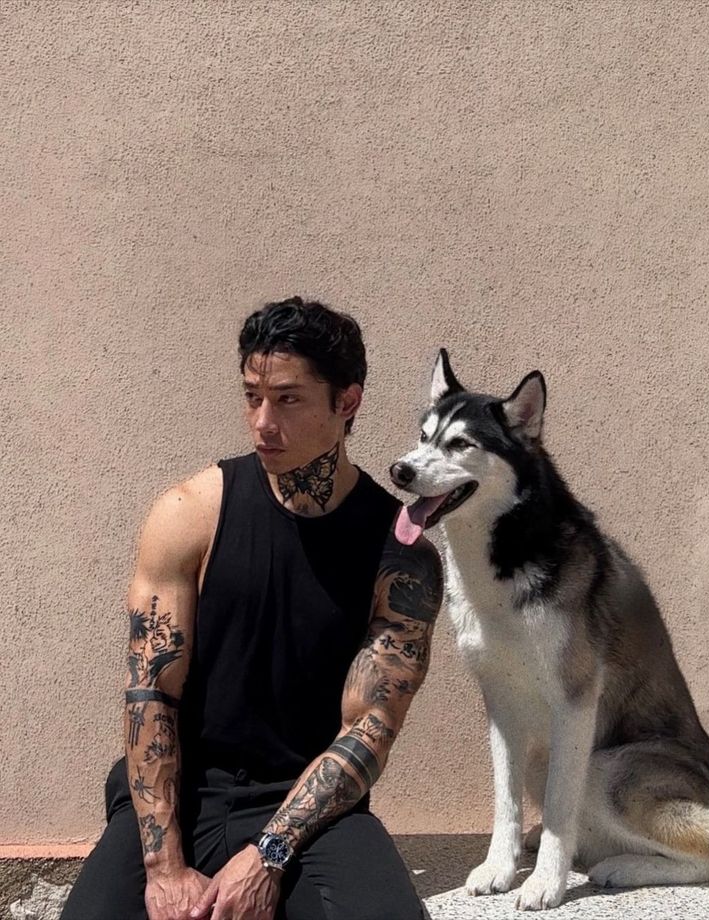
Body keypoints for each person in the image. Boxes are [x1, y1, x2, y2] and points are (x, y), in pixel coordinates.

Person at [61, 296, 442, 920]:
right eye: (251, 397)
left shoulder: (401, 557)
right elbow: (150, 697)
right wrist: (165, 868)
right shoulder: (189, 514)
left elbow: (369, 731)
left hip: (310, 804)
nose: (262, 422)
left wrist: (270, 851)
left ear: (346, 402)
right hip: (179, 790)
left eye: (287, 399)